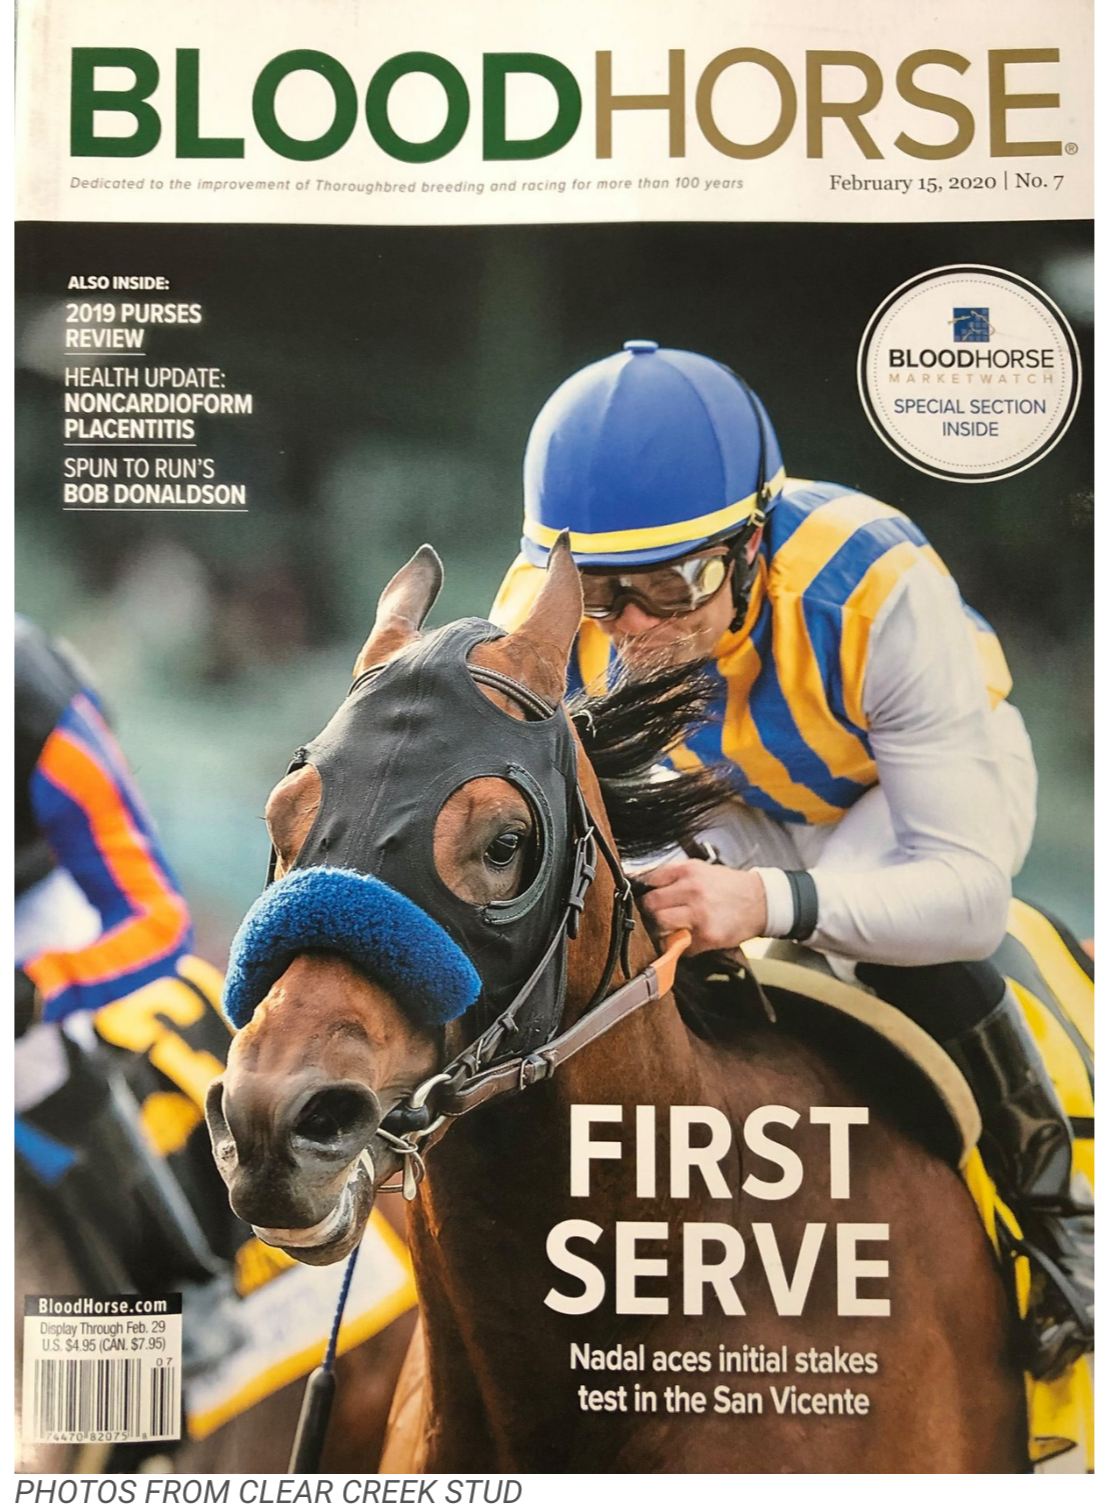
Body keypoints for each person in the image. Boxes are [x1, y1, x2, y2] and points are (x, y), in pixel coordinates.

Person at [490, 340, 1094, 1379]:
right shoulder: (541, 611)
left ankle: (1063, 1215)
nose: (632, 627)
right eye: (598, 588)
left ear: (754, 540)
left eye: (673, 583)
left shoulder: (875, 581)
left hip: (900, 795)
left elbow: (963, 902)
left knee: (879, 943)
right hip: (729, 799)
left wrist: (765, 901)